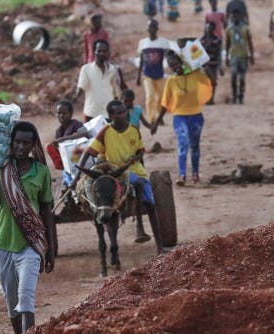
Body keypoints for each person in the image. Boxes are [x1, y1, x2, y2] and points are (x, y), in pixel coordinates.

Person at [0, 121, 56, 334]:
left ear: (34, 145)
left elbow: (47, 211)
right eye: (17, 142)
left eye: (26, 143)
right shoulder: (2, 170)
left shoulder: (41, 171)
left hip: (31, 244)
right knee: (12, 302)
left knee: (26, 299)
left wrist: (51, 248)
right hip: (3, 245)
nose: (21, 147)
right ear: (11, 143)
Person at [81, 100, 164, 252]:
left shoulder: (134, 130)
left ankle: (157, 244)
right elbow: (89, 152)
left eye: (123, 111)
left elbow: (140, 150)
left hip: (134, 170)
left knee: (150, 203)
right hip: (114, 172)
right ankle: (135, 225)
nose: (122, 115)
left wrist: (137, 157)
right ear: (111, 116)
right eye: (117, 113)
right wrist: (78, 173)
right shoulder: (105, 132)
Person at [156, 49, 213, 185]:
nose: (175, 68)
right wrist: (157, 122)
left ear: (182, 62)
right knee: (183, 145)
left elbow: (212, 81)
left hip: (196, 116)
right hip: (179, 117)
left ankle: (195, 174)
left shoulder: (195, 75)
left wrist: (205, 66)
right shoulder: (171, 81)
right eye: (172, 66)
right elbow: (165, 103)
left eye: (176, 64)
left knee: (195, 146)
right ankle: (182, 176)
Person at [136, 18, 174, 127]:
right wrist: (138, 76)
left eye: (153, 27)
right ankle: (152, 119)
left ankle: (159, 117)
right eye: (150, 27)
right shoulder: (143, 43)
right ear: (147, 29)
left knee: (161, 98)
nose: (151, 29)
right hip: (147, 74)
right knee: (150, 96)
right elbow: (142, 60)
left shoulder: (163, 42)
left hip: (159, 74)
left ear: (157, 29)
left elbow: (169, 56)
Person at [73, 39, 123, 120]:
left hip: (108, 112)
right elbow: (82, 86)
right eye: (99, 51)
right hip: (91, 112)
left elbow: (115, 91)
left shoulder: (112, 69)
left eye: (104, 51)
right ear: (94, 52)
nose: (102, 53)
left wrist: (118, 106)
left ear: (108, 53)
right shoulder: (86, 69)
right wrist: (77, 95)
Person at [225, 11, 254, 105]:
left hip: (243, 56)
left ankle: (241, 96)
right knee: (233, 76)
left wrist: (252, 55)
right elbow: (227, 44)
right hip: (233, 56)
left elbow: (250, 42)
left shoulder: (245, 28)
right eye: (233, 16)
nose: (234, 18)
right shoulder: (229, 29)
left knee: (242, 78)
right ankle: (234, 96)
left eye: (236, 16)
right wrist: (226, 56)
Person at [200, 20, 223, 105]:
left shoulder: (217, 40)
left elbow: (219, 54)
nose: (207, 29)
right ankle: (207, 98)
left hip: (213, 64)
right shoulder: (202, 40)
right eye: (207, 28)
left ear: (213, 29)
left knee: (213, 82)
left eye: (209, 28)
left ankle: (211, 99)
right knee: (205, 83)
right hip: (204, 65)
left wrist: (220, 66)